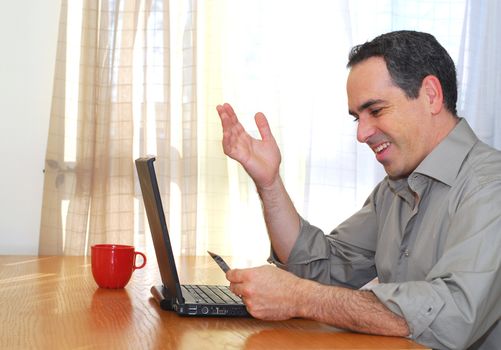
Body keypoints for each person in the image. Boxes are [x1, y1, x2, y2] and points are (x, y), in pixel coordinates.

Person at [216, 30, 500, 350]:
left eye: (376, 111)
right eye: (357, 119)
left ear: (431, 95)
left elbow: (454, 316)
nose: (362, 134)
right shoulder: (394, 189)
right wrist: (269, 183)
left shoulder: (491, 186)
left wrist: (302, 298)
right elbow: (318, 267)